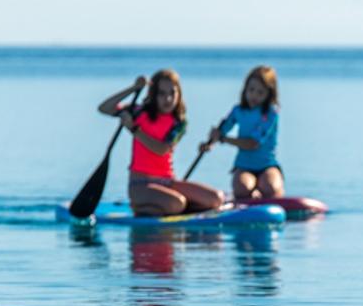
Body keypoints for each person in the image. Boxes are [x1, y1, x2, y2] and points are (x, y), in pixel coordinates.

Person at [98, 70, 225, 217]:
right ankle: (141, 207)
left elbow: (162, 149)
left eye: (172, 93)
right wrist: (134, 88)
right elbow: (104, 108)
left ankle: (167, 207)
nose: (168, 98)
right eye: (162, 94)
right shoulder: (138, 112)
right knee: (177, 204)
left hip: (168, 182)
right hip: (140, 184)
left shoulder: (179, 123)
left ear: (179, 95)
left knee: (216, 199)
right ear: (153, 95)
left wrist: (133, 129)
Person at [200, 65, 283, 201]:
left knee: (270, 188)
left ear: (269, 94)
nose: (254, 96)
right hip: (244, 166)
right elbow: (221, 131)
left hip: (267, 166)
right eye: (251, 90)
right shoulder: (238, 111)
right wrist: (210, 143)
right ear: (245, 90)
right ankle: (252, 192)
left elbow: (253, 143)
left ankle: (272, 190)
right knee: (242, 189)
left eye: (260, 92)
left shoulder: (271, 114)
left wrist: (223, 139)